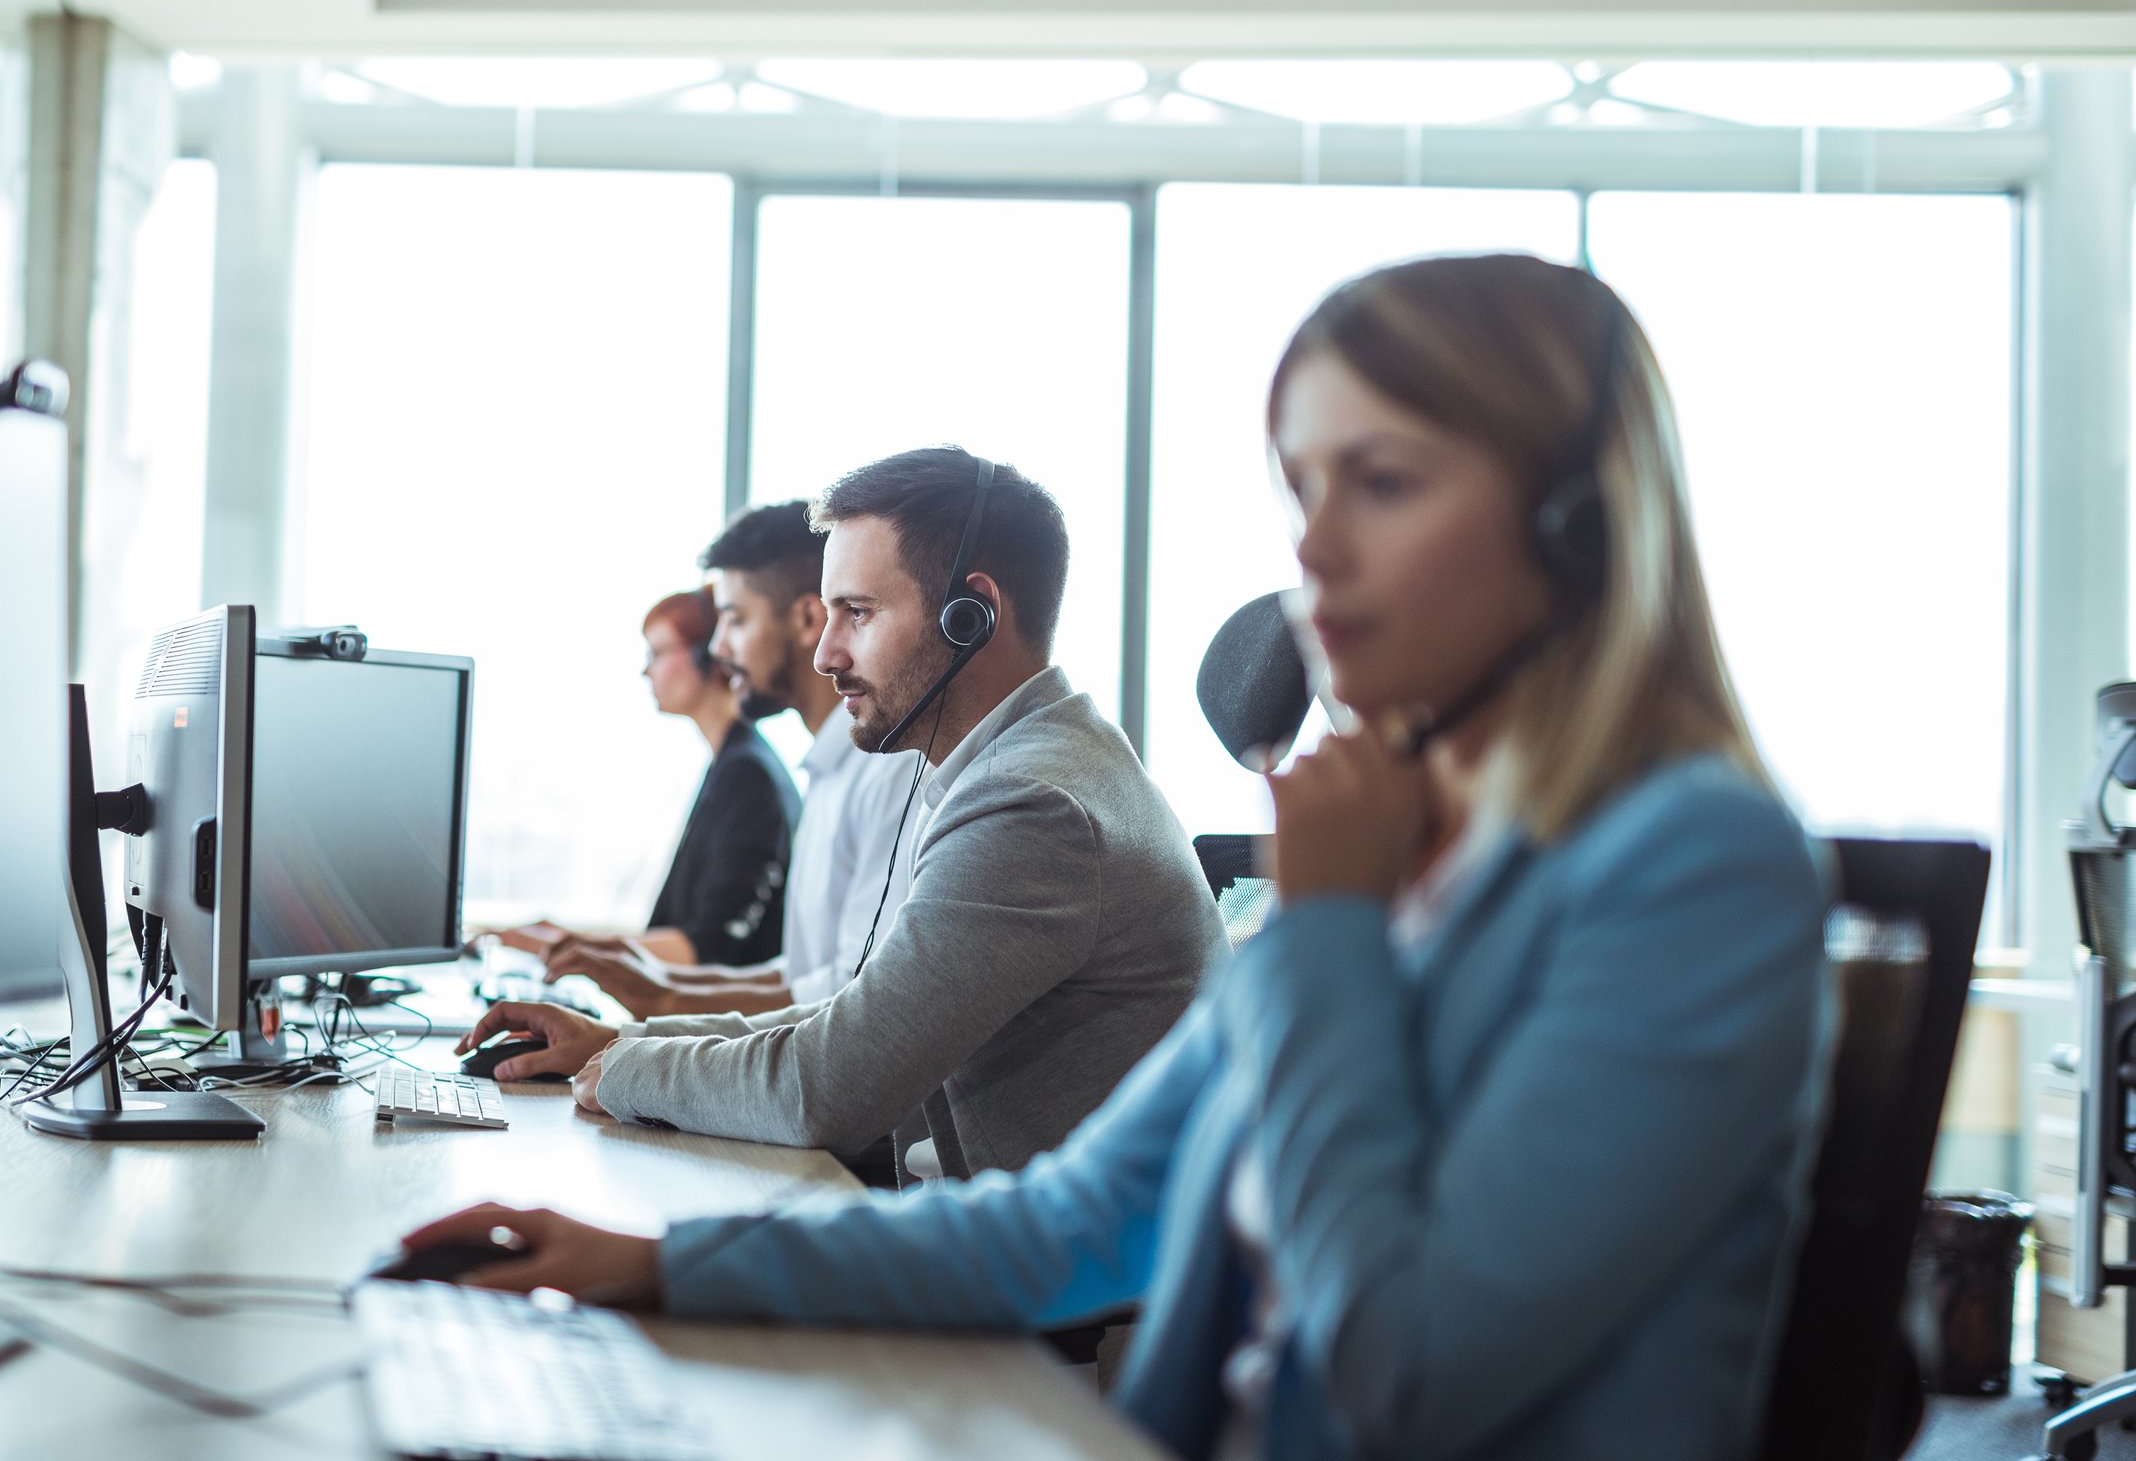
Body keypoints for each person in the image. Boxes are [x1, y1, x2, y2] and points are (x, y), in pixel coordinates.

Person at [408, 254, 1830, 1461]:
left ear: (1576, 534)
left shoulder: (1694, 870)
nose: (1313, 550)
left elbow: (1404, 1375)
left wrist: (1327, 932)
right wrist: (656, 1264)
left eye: (1382, 484)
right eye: (1301, 489)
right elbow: (1072, 1221)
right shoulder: (1401, 864)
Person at [461, 450, 1227, 1184]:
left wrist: (626, 1068)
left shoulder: (1031, 806)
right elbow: (854, 1023)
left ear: (973, 616)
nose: (826, 654)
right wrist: (625, 1038)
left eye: (856, 613)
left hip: (1054, 1299)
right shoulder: (1039, 762)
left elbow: (826, 1088)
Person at [541, 501, 922, 1019]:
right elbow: (800, 976)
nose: (718, 648)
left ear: (808, 619)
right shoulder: (827, 771)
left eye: (735, 620)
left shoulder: (887, 771)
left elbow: (850, 1001)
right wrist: (649, 980)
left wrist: (650, 1017)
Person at [497, 588, 799, 968]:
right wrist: (564, 938)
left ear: (708, 656)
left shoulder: (748, 776)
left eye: (656, 653)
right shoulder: (728, 765)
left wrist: (568, 946)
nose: (646, 670)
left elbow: (706, 948)